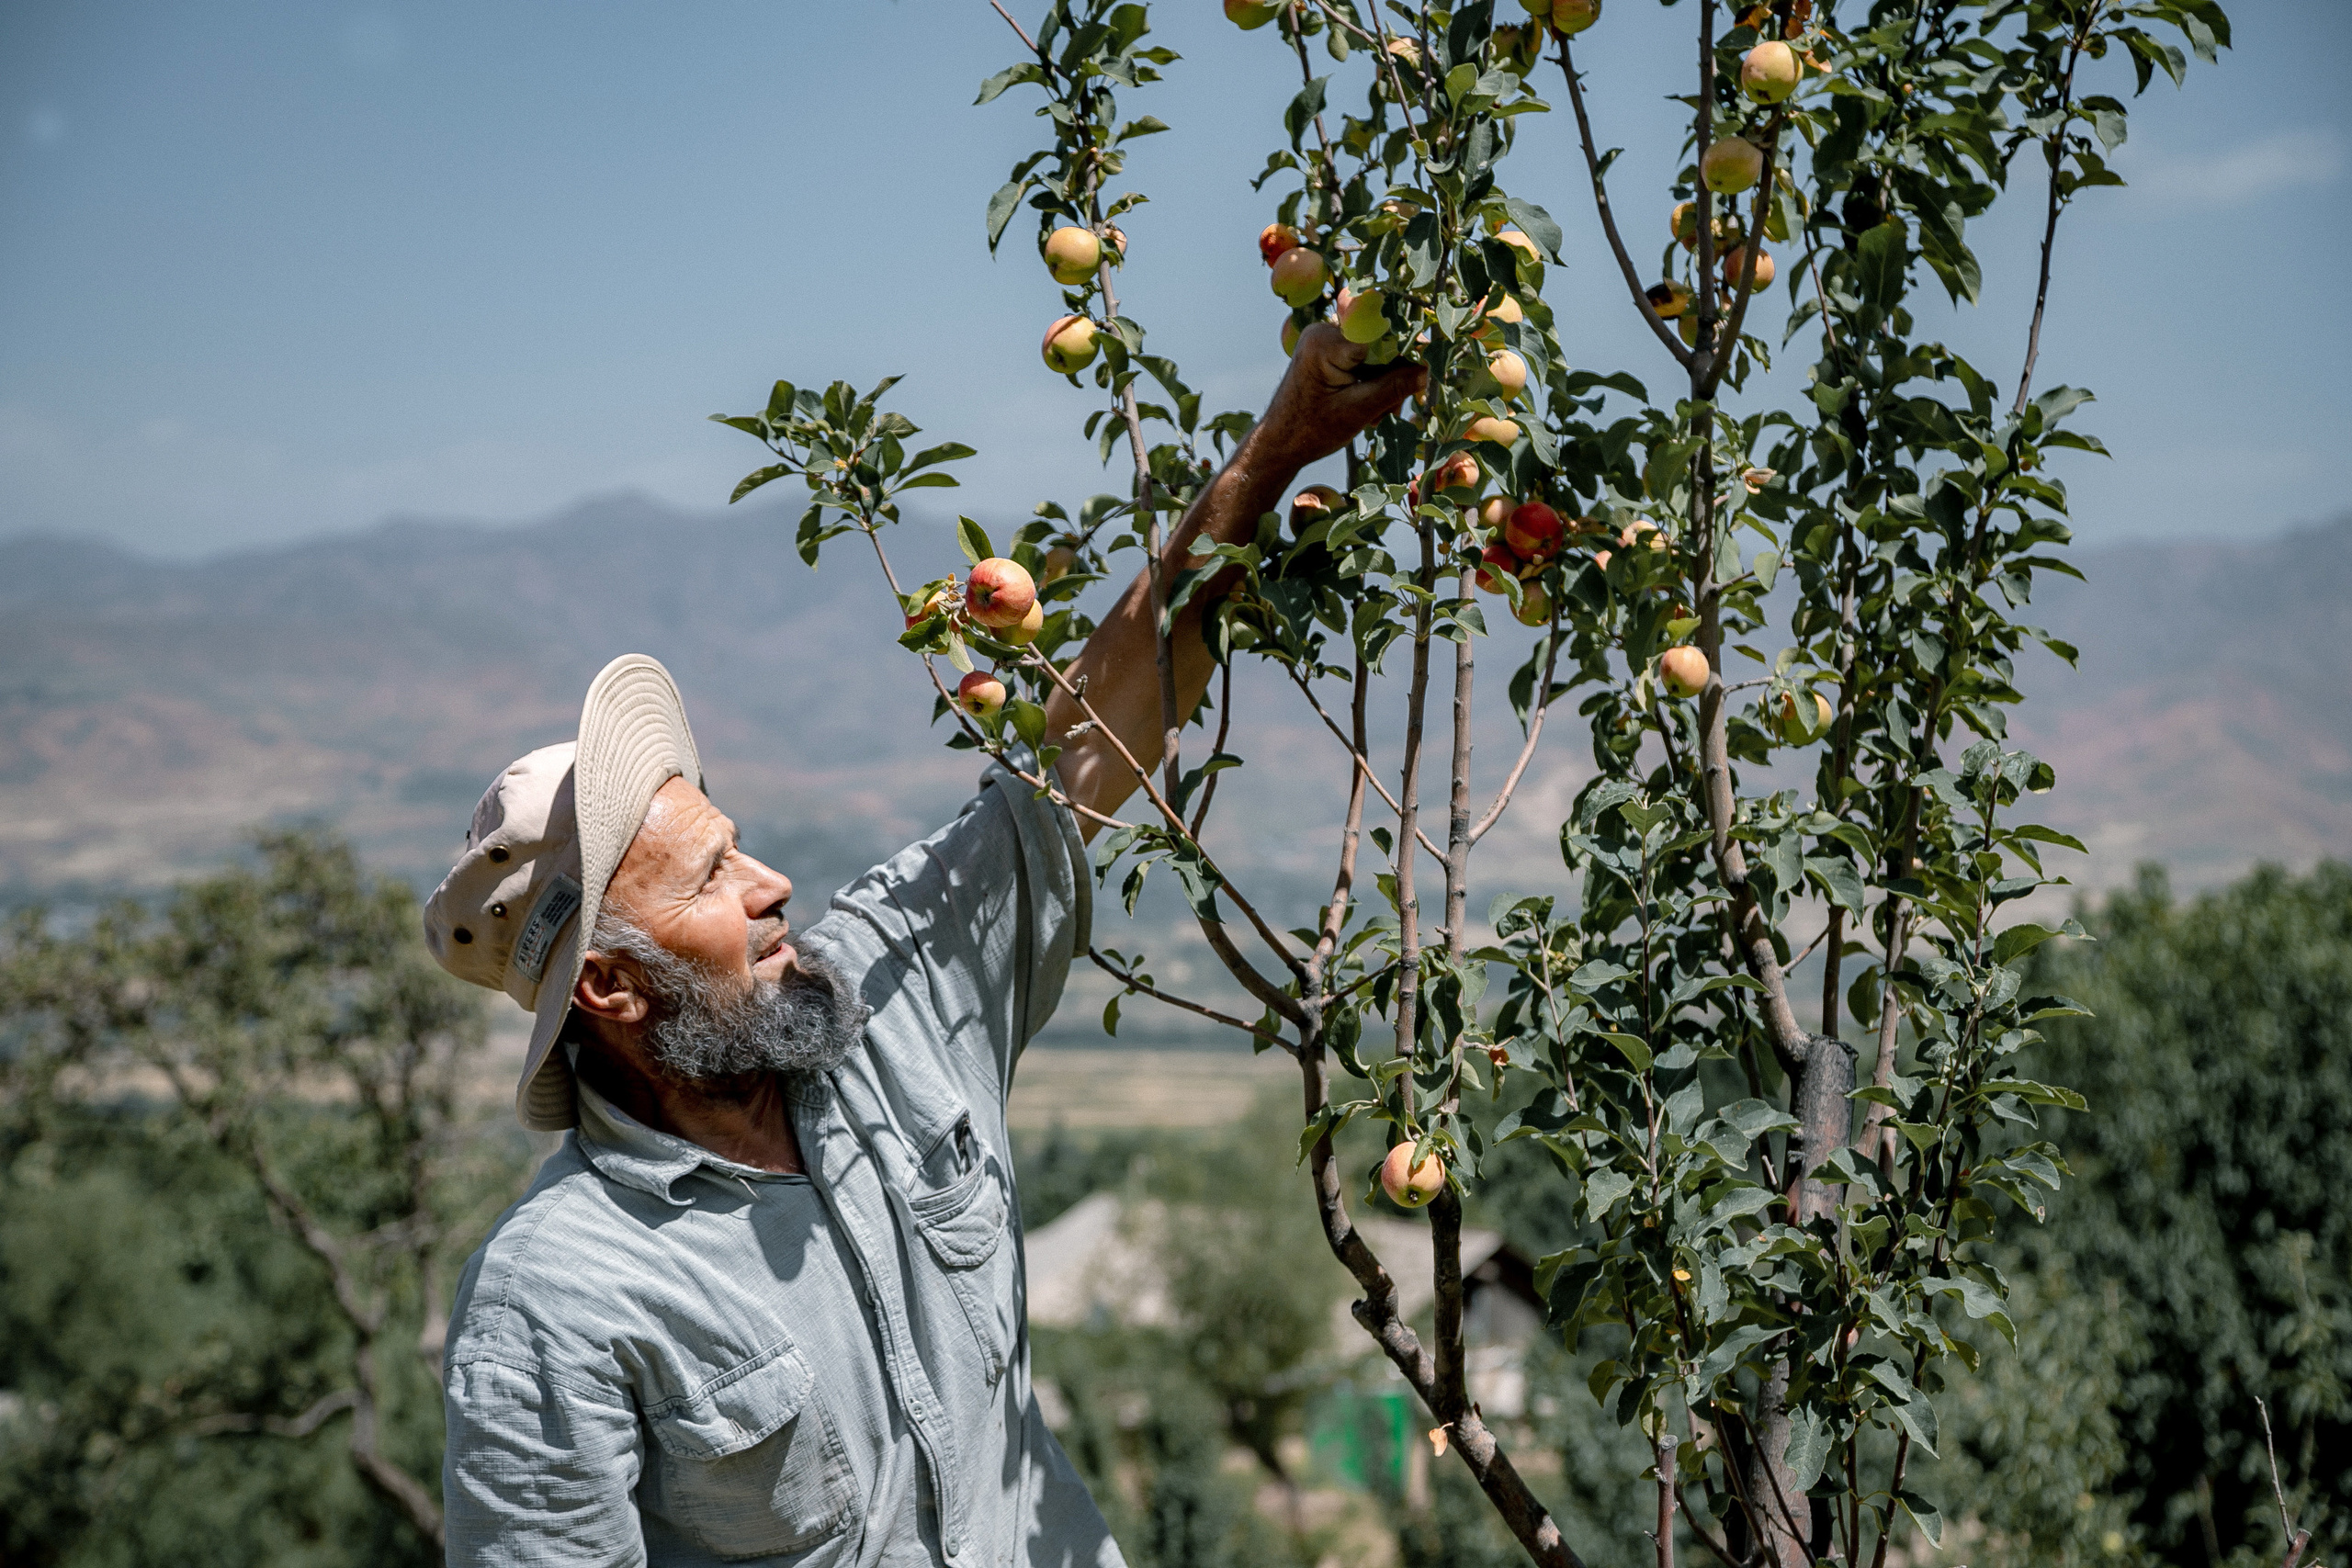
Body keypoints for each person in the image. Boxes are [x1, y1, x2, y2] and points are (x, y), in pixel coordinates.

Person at [426, 324, 1421, 1567]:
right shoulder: (558, 1299)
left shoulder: (888, 993)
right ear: (614, 988)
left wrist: (1274, 452)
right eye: (713, 879)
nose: (772, 883)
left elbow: (1087, 746)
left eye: (739, 844)